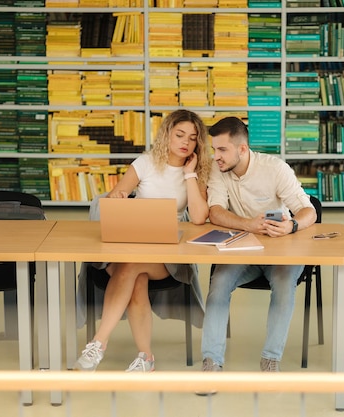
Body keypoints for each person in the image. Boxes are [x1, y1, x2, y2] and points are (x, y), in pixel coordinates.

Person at [74, 109, 211, 372]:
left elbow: (197, 218)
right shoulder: (145, 163)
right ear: (166, 134)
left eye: (193, 138)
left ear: (198, 144)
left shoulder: (199, 171)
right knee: (135, 275)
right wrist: (119, 197)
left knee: (132, 267)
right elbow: (118, 194)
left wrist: (190, 174)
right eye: (180, 134)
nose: (185, 142)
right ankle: (145, 358)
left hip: (169, 256)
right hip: (131, 246)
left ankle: (98, 345)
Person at [201, 116, 317, 372]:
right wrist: (248, 224)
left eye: (222, 149)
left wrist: (292, 226)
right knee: (218, 282)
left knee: (285, 284)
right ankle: (211, 361)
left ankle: (270, 360)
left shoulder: (275, 168)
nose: (216, 156)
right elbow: (215, 211)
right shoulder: (218, 168)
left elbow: (309, 211)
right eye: (214, 149)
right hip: (244, 250)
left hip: (281, 250)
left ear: (242, 149)